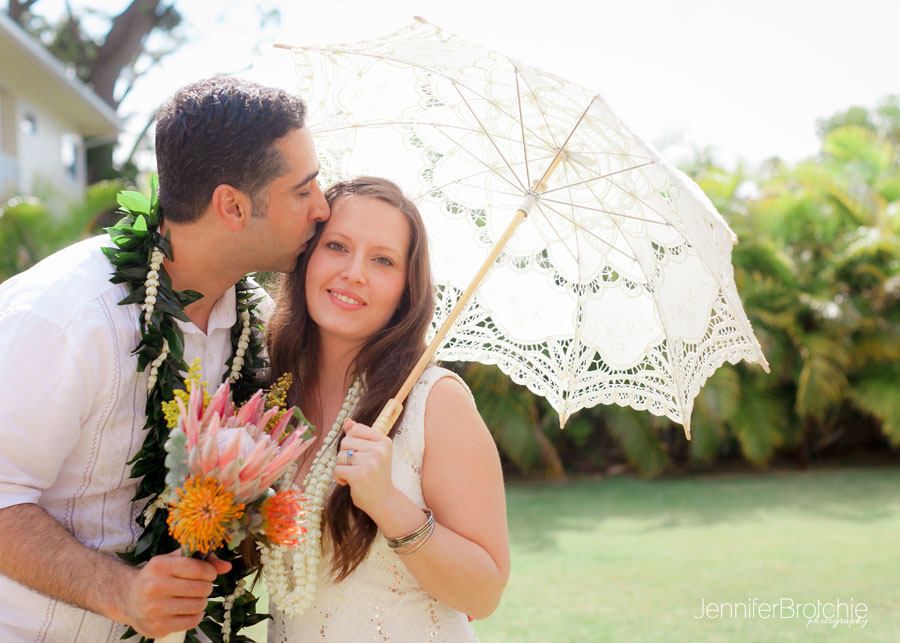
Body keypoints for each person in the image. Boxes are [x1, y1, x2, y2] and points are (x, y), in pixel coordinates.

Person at [0, 76, 329, 641]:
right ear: (231, 205)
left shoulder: (257, 322)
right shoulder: (64, 317)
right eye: (304, 190)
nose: (323, 209)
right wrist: (120, 591)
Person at [265, 176, 510, 641]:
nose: (354, 272)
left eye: (382, 260)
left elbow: (484, 595)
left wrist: (387, 503)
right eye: (337, 246)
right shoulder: (273, 389)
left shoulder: (437, 403)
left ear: (405, 288)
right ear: (306, 256)